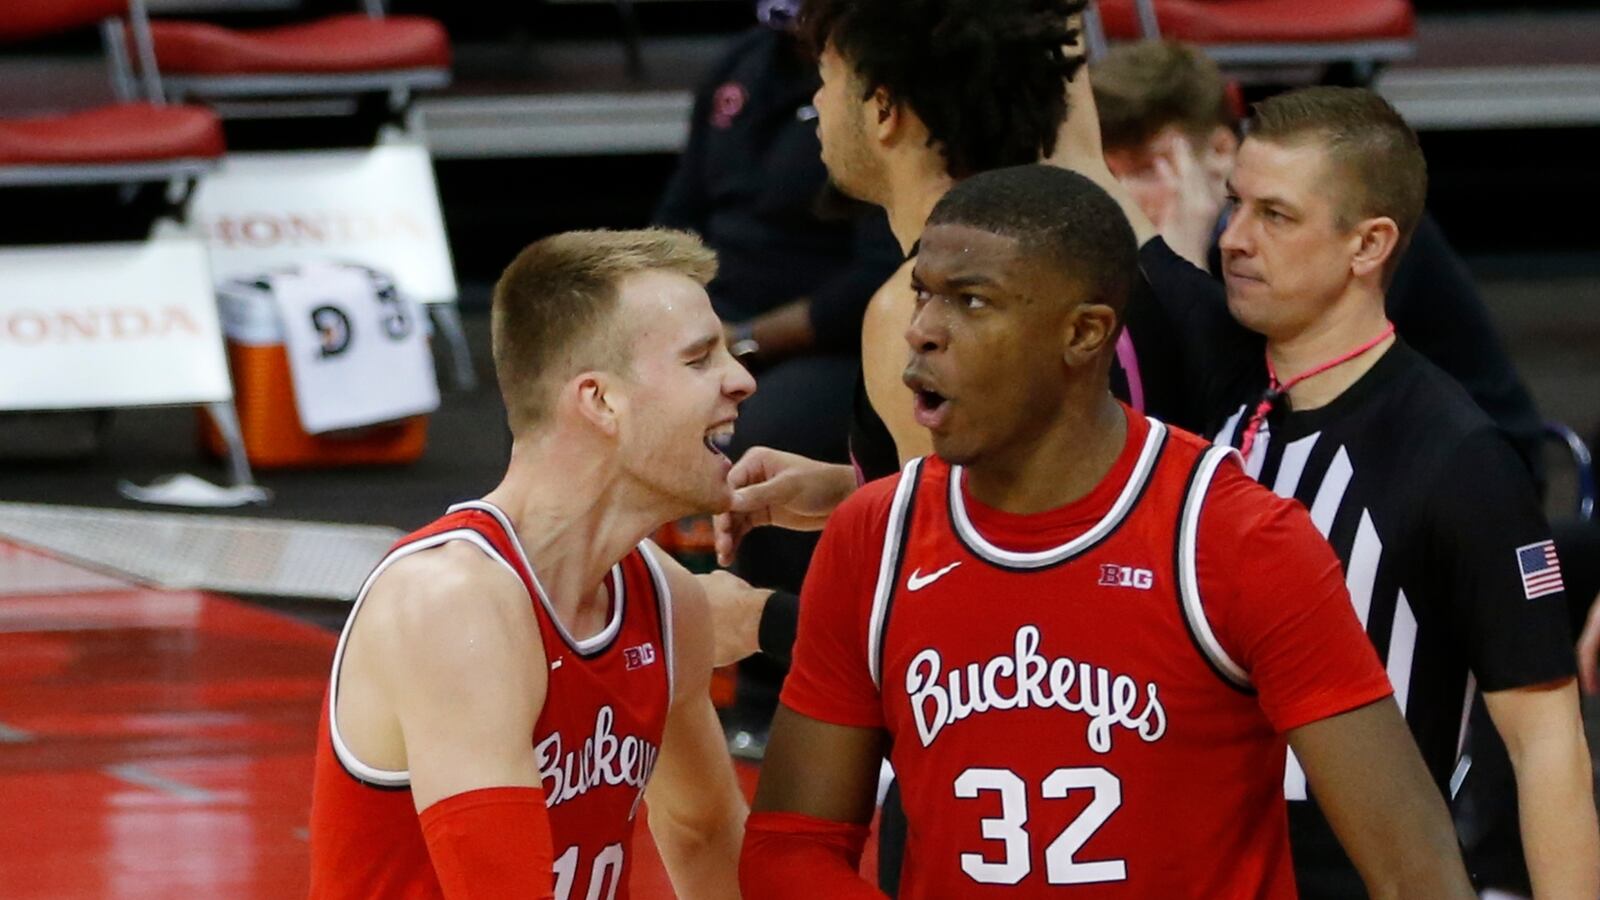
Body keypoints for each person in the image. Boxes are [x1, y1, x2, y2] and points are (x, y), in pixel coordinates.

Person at [739, 164, 1476, 899]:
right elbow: (790, 844)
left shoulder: (1238, 539)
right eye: (925, 293)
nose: (923, 331)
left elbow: (1417, 871)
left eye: (971, 300)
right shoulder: (874, 535)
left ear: (1084, 333)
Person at [1069, 85, 1600, 899]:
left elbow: (1547, 745)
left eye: (1275, 216)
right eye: (1236, 204)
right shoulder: (1229, 371)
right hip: (1187, 859)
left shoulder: (1457, 457)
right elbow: (1083, 176)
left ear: (1369, 245)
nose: (1234, 239)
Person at [307, 229, 752, 898]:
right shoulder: (453, 603)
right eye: (700, 360)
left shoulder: (667, 600)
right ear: (600, 400)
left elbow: (705, 835)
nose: (741, 379)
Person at [1089, 39, 1548, 490]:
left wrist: (1179, 267)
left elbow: (1227, 393)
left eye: (1148, 169)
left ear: (1221, 152)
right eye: (1114, 175)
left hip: (1452, 487)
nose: (1127, 197)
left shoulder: (1342, 230)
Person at [653, 0, 902, 746]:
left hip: (821, 338)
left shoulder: (871, 85)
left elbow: (870, 283)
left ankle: (772, 685)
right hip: (713, 312)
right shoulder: (736, 68)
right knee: (571, 389)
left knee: (766, 428)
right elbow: (675, 218)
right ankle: (579, 643)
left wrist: (739, 342)